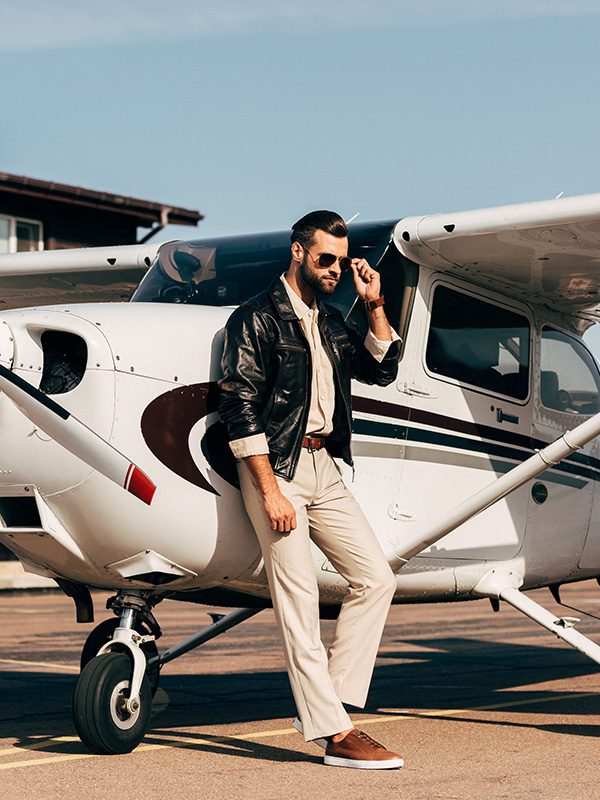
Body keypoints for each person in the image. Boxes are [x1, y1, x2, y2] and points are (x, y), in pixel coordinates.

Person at [218, 210, 403, 769]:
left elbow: (381, 368)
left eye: (342, 263)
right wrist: (270, 491)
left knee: (376, 578)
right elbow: (239, 405)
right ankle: (334, 732)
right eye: (326, 260)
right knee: (297, 600)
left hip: (326, 468)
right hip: (278, 469)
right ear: (298, 252)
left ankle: (329, 704)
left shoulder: (331, 319)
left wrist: (373, 302)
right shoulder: (255, 319)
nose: (335, 271)